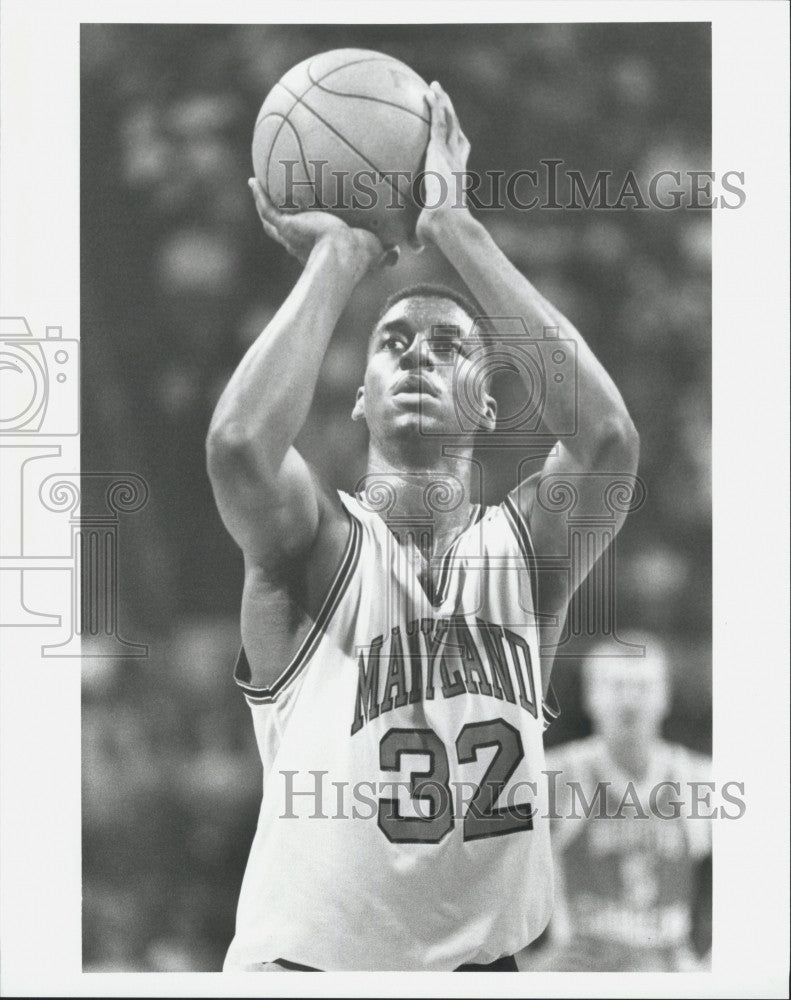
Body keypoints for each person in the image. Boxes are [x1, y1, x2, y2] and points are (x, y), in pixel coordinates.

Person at [206, 81, 639, 971]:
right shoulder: (316, 547)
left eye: (449, 348)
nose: (417, 356)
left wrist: (451, 228)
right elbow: (241, 445)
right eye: (393, 342)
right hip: (309, 974)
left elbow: (604, 438)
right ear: (359, 400)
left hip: (485, 971)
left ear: (488, 397)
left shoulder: (527, 554)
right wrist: (341, 256)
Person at [517, 633, 712, 972]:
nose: (629, 701)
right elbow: (498, 878)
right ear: (590, 696)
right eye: (616, 686)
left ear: (665, 696)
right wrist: (527, 967)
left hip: (667, 972)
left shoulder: (700, 777)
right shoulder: (554, 774)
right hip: (582, 972)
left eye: (642, 687)